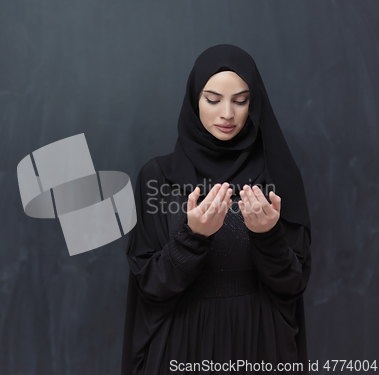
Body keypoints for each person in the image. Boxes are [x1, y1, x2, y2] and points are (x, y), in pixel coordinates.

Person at [121, 44, 312, 375]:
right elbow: (149, 285)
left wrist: (268, 236)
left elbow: (293, 284)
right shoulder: (158, 178)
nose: (228, 113)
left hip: (259, 342)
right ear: (195, 100)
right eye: (213, 99)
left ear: (254, 105)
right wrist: (193, 237)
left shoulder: (277, 177)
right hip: (182, 343)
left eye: (240, 101)